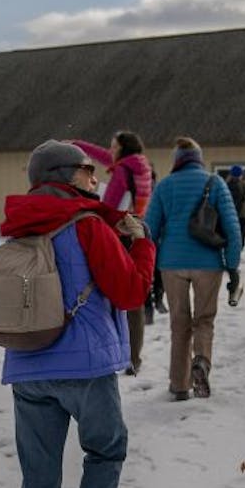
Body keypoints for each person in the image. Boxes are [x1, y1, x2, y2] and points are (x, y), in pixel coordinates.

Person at [0, 140, 156, 488]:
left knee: (39, 473)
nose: (97, 179)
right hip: (85, 365)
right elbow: (129, 293)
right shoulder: (88, 225)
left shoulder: (19, 229)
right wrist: (142, 246)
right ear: (67, 174)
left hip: (27, 362)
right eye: (90, 171)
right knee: (107, 448)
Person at [144, 137, 242, 400]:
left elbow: (148, 230)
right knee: (204, 320)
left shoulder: (164, 186)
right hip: (208, 263)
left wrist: (148, 267)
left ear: (176, 161)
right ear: (199, 159)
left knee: (179, 324)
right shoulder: (216, 183)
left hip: (172, 263)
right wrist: (232, 267)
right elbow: (233, 230)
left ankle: (179, 385)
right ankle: (201, 362)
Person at [72, 132, 154, 374]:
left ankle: (121, 353)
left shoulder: (121, 172)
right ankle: (134, 357)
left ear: (123, 149)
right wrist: (78, 143)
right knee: (136, 296)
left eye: (114, 146)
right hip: (137, 227)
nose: (110, 150)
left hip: (121, 230)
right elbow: (103, 156)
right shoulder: (139, 166)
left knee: (117, 293)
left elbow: (108, 205)